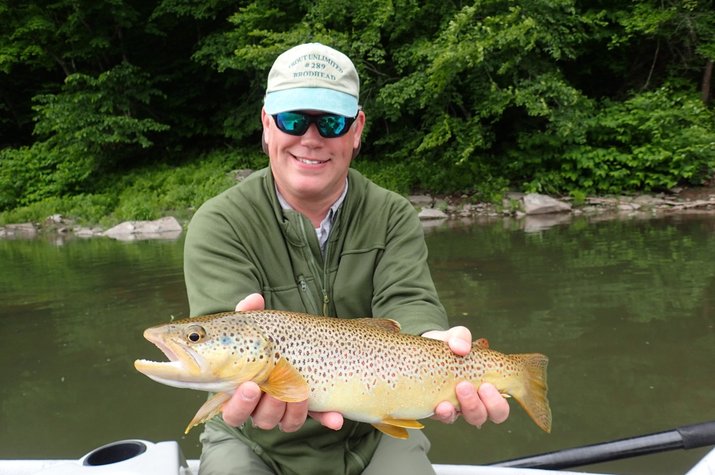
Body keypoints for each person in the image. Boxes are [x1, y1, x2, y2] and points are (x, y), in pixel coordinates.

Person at [183, 42, 510, 475]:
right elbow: (219, 353)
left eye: (332, 123)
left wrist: (437, 342)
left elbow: (409, 306)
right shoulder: (220, 223)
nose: (311, 139)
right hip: (252, 436)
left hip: (376, 430)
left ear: (356, 130)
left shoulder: (392, 214)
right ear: (266, 124)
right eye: (294, 120)